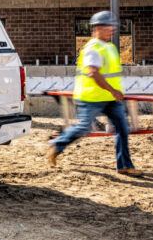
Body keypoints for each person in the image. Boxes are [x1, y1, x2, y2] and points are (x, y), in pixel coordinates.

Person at [47, 11, 142, 176]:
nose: (112, 29)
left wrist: (113, 93)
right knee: (83, 128)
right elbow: (94, 73)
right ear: (97, 28)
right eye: (108, 26)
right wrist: (113, 90)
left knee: (122, 128)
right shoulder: (93, 48)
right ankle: (57, 144)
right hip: (91, 97)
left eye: (113, 26)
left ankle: (124, 165)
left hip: (110, 98)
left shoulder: (110, 47)